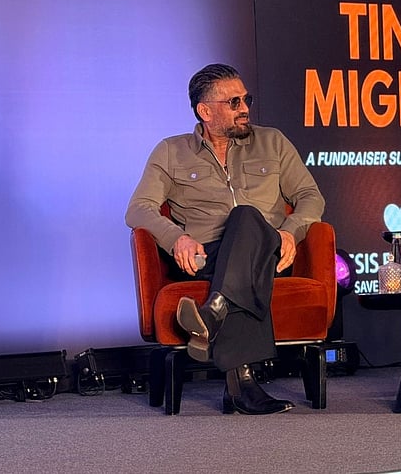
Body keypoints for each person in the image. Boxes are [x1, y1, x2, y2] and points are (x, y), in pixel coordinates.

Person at [125, 63, 325, 415]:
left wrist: (292, 232)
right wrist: (177, 240)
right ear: (205, 111)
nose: (244, 108)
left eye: (245, 99)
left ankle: (214, 314)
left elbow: (310, 196)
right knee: (241, 246)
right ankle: (240, 382)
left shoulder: (272, 141)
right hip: (208, 258)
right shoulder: (171, 151)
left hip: (269, 252)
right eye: (233, 102)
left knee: (246, 216)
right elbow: (138, 210)